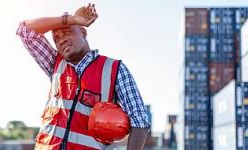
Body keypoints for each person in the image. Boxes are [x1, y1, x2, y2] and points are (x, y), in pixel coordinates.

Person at [16, 3, 150, 150]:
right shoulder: (54, 64)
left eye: (67, 32)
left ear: (83, 33)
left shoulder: (114, 70)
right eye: (56, 38)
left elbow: (140, 121)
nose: (61, 40)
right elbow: (25, 30)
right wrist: (71, 19)